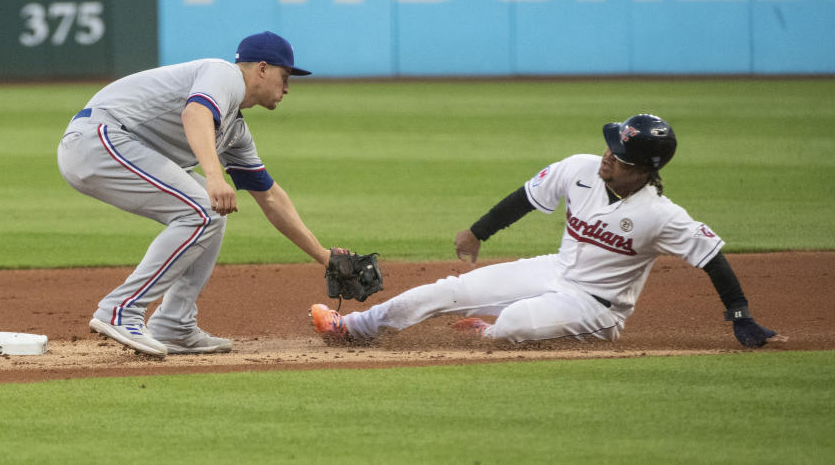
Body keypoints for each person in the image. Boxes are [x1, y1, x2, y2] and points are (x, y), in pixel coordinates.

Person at [311, 114, 785, 349]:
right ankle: (351, 328)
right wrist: (478, 233)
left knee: (513, 324)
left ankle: (496, 328)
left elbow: (711, 256)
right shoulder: (580, 169)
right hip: (553, 271)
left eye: (618, 154)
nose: (606, 155)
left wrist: (739, 314)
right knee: (447, 291)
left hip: (596, 307)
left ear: (643, 169)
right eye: (610, 147)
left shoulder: (661, 215)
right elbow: (526, 196)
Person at [59, 31, 341, 357]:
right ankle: (121, 310)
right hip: (98, 139)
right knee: (201, 209)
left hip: (110, 146)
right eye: (285, 75)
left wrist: (324, 256)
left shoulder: (235, 130)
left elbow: (270, 196)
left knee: (211, 213)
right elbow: (195, 113)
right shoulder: (224, 74)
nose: (287, 88)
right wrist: (213, 176)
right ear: (262, 68)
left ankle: (174, 325)